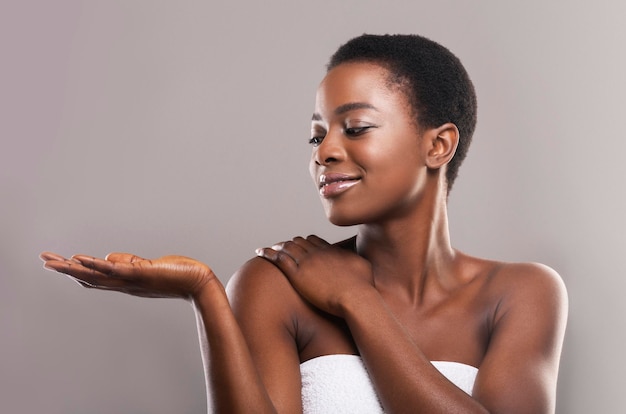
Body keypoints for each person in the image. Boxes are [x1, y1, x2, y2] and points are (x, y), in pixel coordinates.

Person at [40, 34, 568, 413]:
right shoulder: (277, 284)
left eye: (356, 127)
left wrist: (357, 303)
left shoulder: (522, 292)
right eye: (317, 136)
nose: (326, 151)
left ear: (438, 145)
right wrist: (205, 294)